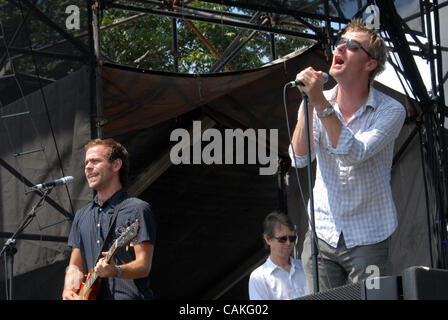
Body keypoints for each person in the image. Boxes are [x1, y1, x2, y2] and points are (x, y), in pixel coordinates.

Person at [289, 19, 406, 293]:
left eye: (351, 46)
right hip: (323, 234)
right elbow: (299, 159)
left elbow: (355, 153)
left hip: (369, 236)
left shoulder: (390, 110)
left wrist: (319, 102)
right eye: (339, 42)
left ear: (370, 64)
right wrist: (309, 103)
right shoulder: (316, 100)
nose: (340, 47)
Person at [62, 138, 156, 300]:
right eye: (86, 163)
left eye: (95, 161)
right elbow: (75, 266)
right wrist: (68, 289)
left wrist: (117, 271)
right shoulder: (82, 215)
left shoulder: (137, 209)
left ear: (116, 165)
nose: (88, 167)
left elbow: (143, 265)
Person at [248, 211, 307, 300]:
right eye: (282, 239)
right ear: (268, 239)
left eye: (292, 238)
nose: (288, 243)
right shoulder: (258, 277)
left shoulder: (305, 268)